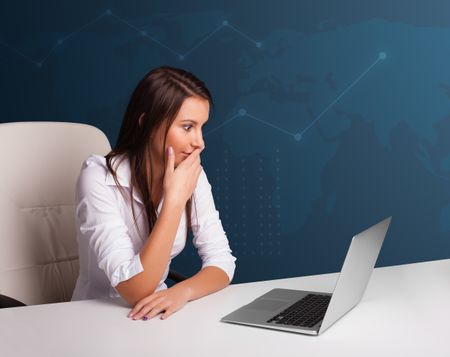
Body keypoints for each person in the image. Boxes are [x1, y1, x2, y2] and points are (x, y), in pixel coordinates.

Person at [71, 66, 236, 321]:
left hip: (157, 315)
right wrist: (174, 200)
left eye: (201, 127)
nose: (199, 142)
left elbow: (223, 262)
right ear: (146, 124)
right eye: (188, 127)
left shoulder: (191, 174)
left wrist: (182, 292)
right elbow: (135, 290)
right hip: (96, 320)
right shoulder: (98, 178)